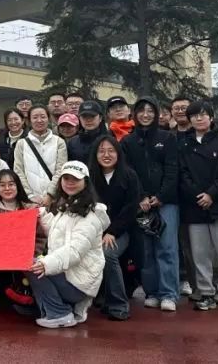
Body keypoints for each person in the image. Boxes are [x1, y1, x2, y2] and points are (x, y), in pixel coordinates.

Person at [179, 99, 218, 314]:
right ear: (189, 120)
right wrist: (198, 195)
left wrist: (212, 194)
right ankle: (205, 292)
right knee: (200, 253)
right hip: (195, 205)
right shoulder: (183, 144)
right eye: (194, 115)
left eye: (203, 114)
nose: (199, 118)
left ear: (211, 117)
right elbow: (182, 174)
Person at [29, 160, 110, 328]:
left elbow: (74, 251)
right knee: (33, 264)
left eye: (75, 179)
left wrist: (45, 264)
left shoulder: (90, 216)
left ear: (85, 182)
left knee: (32, 267)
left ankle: (59, 313)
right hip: (69, 275)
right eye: (66, 178)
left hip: (78, 284)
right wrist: (41, 214)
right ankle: (56, 309)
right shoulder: (69, 205)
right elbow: (57, 233)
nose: (70, 183)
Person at [121, 97, 180, 312]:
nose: (145, 115)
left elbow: (173, 169)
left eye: (150, 111)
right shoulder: (127, 141)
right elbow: (127, 172)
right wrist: (142, 196)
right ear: (134, 114)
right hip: (141, 204)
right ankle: (152, 291)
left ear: (156, 114)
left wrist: (161, 196)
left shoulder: (167, 138)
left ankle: (169, 293)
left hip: (166, 202)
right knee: (145, 250)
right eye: (141, 111)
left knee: (167, 248)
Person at [89, 135, 140, 320]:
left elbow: (130, 209)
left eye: (111, 151)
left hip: (121, 231)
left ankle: (119, 304)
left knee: (108, 253)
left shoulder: (129, 175)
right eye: (101, 151)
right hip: (94, 230)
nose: (106, 155)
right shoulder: (89, 177)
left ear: (118, 153)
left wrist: (112, 232)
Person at [0, 169, 35, 308]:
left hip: (24, 254)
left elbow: (39, 236)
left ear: (17, 186)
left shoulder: (30, 208)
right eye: (2, 185)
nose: (7, 188)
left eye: (11, 184)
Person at [14, 105, 68, 207]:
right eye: (35, 117)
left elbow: (60, 170)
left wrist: (50, 194)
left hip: (54, 200)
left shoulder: (59, 142)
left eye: (43, 117)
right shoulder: (21, 144)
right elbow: (18, 171)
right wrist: (30, 196)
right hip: (30, 201)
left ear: (48, 119)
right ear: (29, 121)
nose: (39, 120)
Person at [170, 94, 195, 297]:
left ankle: (198, 282)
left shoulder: (200, 134)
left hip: (195, 195)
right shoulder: (168, 136)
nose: (180, 111)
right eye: (176, 108)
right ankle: (182, 278)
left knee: (195, 242)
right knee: (177, 240)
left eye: (183, 107)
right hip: (173, 194)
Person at [67, 100, 109, 167]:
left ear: (100, 118)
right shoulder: (72, 142)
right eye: (84, 117)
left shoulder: (110, 140)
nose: (88, 120)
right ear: (79, 118)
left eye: (92, 116)